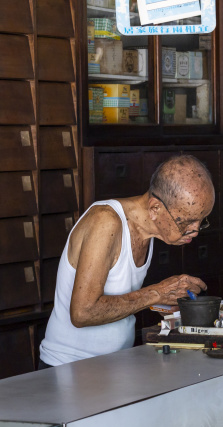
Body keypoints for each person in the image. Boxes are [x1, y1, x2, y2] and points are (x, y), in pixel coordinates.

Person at [39, 154, 214, 367]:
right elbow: (82, 312)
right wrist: (157, 293)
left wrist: (167, 301)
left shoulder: (149, 231)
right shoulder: (106, 222)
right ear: (155, 209)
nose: (195, 230)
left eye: (201, 221)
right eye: (186, 221)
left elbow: (124, 299)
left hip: (114, 365)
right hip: (70, 366)